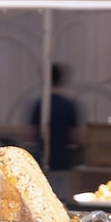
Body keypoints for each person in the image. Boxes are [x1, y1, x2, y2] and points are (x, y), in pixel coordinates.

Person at [30, 63, 84, 199]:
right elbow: (75, 135)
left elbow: (31, 133)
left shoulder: (40, 105)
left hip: (41, 162)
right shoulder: (68, 105)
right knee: (60, 199)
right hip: (63, 162)